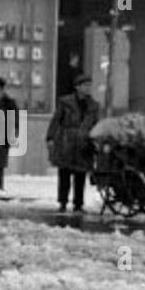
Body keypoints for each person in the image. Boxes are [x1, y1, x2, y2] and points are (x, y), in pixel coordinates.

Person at [46, 73, 100, 212]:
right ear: (77, 87)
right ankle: (63, 201)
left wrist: (96, 139)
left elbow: (96, 124)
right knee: (64, 173)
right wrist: (50, 137)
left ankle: (78, 203)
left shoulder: (93, 105)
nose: (88, 88)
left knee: (80, 174)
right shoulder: (65, 102)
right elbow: (56, 120)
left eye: (89, 85)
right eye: (85, 85)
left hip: (83, 141)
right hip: (66, 140)